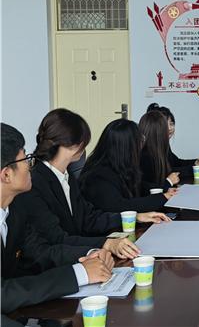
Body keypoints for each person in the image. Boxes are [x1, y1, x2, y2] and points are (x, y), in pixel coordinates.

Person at [16, 109, 170, 259]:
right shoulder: (35, 183)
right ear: (72, 145)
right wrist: (106, 243)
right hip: (57, 264)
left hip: (77, 255)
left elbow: (88, 218)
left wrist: (135, 217)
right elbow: (57, 239)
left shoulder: (66, 175)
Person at [1, 123, 113, 317]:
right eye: (25, 158)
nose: (30, 165)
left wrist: (90, 255)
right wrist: (79, 274)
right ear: (6, 174)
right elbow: (3, 293)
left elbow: (41, 252)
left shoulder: (15, 208)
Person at [80, 119, 177, 213]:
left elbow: (139, 185)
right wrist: (162, 198)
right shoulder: (98, 176)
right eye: (138, 143)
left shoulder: (119, 164)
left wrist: (164, 190)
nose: (140, 147)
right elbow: (121, 206)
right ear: (126, 148)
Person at [146, 103, 199, 176]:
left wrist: (198, 161)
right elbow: (167, 172)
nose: (170, 128)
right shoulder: (148, 149)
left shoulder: (163, 143)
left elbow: (177, 162)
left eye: (171, 124)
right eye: (165, 124)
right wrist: (197, 167)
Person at [139, 111, 181, 191]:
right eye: (165, 128)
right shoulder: (145, 156)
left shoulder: (158, 149)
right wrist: (168, 182)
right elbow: (144, 189)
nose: (169, 129)